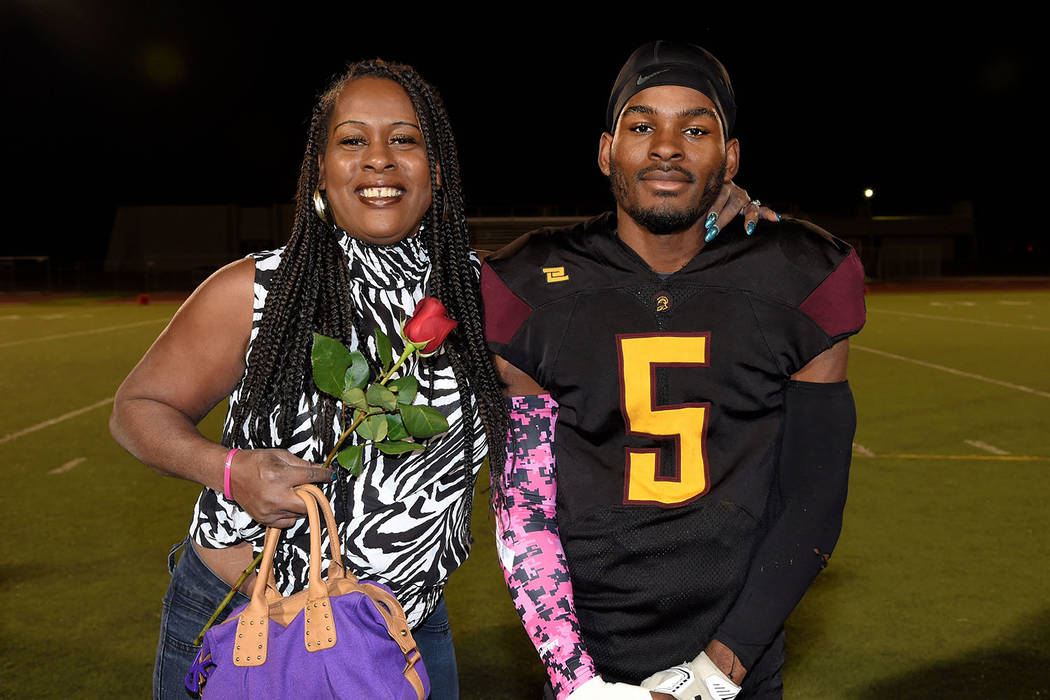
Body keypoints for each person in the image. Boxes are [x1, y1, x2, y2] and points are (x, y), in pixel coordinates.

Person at [109, 59, 509, 699]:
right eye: (352, 140)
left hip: (401, 628)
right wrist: (231, 471)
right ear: (320, 169)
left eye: (404, 139)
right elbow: (137, 407)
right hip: (246, 618)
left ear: (437, 169)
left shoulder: (486, 295)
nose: (379, 159)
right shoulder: (255, 290)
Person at [483, 41, 865, 700]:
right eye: (641, 126)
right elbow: (524, 507)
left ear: (730, 157)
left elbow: (813, 499)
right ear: (606, 151)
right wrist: (578, 680)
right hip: (587, 658)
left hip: (738, 656)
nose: (666, 147)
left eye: (695, 129)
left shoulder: (797, 275)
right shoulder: (530, 285)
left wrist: (719, 669)